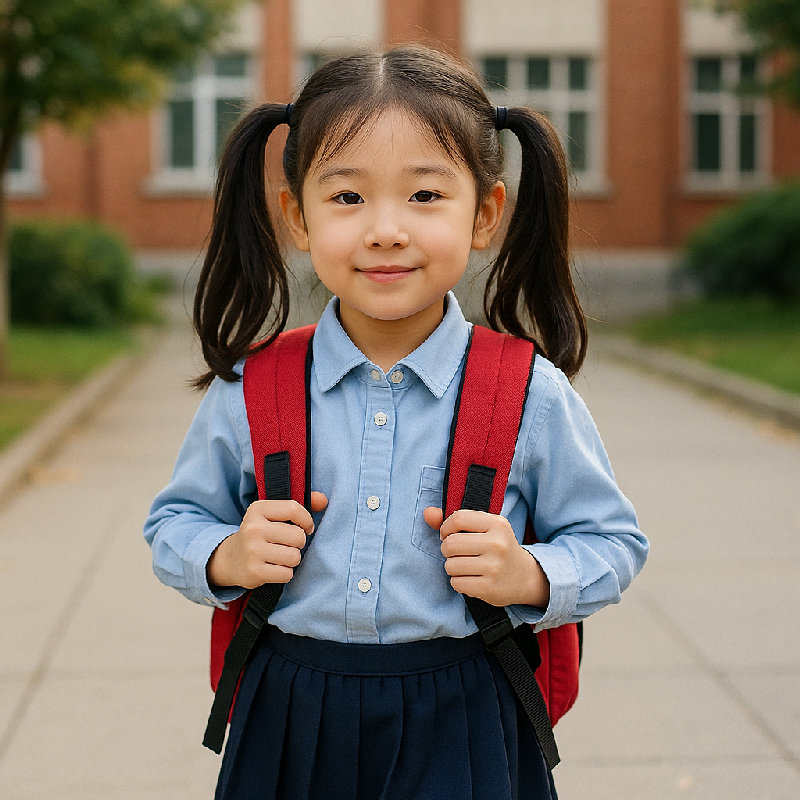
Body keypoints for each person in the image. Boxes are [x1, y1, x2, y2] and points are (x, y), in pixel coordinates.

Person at [144, 44, 648, 800]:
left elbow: (613, 542)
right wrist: (227, 555)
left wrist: (530, 574)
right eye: (347, 197)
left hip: (464, 713)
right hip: (289, 714)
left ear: (485, 214)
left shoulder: (527, 393)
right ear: (297, 216)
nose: (385, 230)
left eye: (425, 195)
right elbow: (174, 522)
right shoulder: (253, 387)